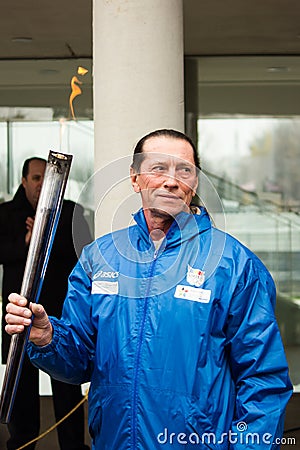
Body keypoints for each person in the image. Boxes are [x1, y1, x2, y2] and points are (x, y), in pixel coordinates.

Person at [5, 130, 293, 449]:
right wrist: (48, 338)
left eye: (184, 170)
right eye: (158, 168)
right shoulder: (99, 258)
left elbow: (263, 381)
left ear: (195, 184)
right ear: (135, 178)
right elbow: (80, 362)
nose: (171, 180)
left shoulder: (234, 265)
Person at [0, 157, 91, 450]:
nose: (41, 184)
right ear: (24, 181)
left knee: (66, 387)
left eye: (45, 178)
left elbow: (83, 254)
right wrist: (27, 241)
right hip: (20, 317)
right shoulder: (6, 213)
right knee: (21, 389)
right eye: (36, 178)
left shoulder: (70, 212)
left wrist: (47, 234)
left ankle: (74, 446)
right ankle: (22, 444)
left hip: (60, 315)